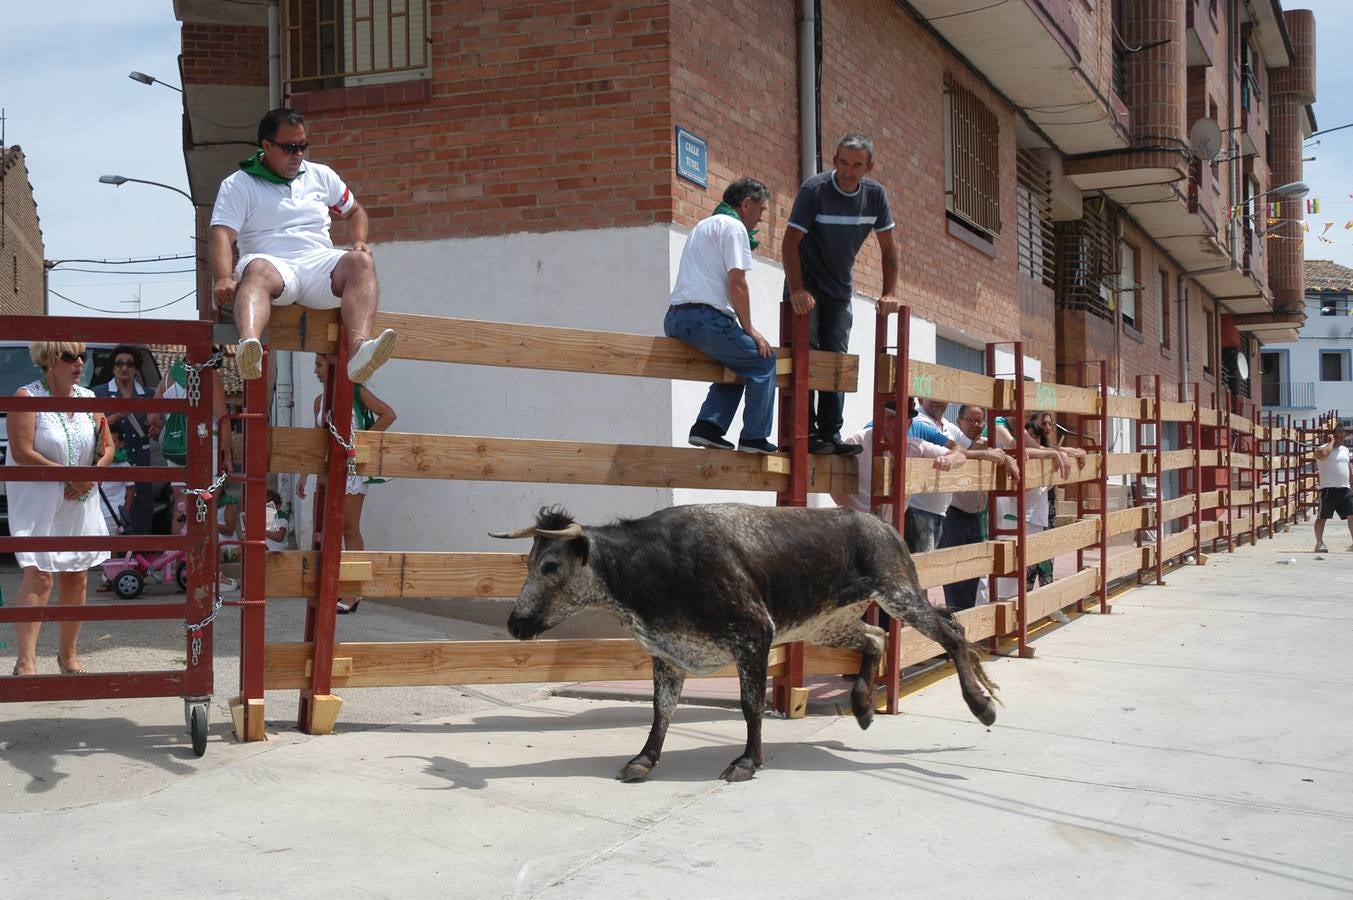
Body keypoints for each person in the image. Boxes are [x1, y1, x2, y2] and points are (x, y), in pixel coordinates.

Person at [209, 108, 396, 384]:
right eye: (289, 148)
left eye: (303, 146)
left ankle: (360, 351)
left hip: (316, 264)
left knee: (361, 262)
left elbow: (355, 211)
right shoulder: (239, 184)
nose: (298, 154)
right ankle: (250, 346)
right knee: (257, 269)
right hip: (271, 265)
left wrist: (358, 241)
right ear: (267, 146)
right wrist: (224, 277)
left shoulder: (321, 175)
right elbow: (222, 233)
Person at [783, 133, 898, 457]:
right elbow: (789, 242)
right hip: (806, 285)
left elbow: (889, 250)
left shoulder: (875, 196)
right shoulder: (814, 190)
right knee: (809, 353)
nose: (848, 171)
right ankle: (806, 434)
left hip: (840, 288)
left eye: (856, 165)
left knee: (838, 359)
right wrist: (796, 289)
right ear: (834, 161)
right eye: (843, 163)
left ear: (869, 167)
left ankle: (830, 433)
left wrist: (889, 293)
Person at [4, 342, 114, 676]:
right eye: (69, 357)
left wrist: (91, 476)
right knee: (40, 576)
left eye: (82, 356)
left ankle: (69, 656)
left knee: (77, 576)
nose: (79, 362)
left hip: (80, 499)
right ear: (49, 360)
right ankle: (26, 661)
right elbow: (22, 452)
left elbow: (107, 445)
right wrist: (70, 476)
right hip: (40, 499)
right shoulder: (27, 398)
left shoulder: (89, 400)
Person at [664, 177, 778, 454]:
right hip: (706, 319)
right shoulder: (734, 227)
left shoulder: (704, 225)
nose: (761, 219)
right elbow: (737, 283)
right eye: (761, 210)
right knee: (763, 362)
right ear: (746, 204)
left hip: (677, 318)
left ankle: (708, 427)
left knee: (739, 362)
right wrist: (750, 328)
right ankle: (753, 437)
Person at [297, 353, 397, 613]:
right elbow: (316, 440)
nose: (315, 371)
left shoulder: (356, 392)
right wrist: (305, 473)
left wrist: (360, 442)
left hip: (352, 471)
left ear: (332, 365)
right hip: (325, 472)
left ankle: (353, 591)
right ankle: (327, 586)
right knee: (324, 528)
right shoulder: (319, 401)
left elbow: (388, 414)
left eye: (319, 365)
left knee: (349, 528)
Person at [942, 404, 1021, 612]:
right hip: (953, 516)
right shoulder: (955, 443)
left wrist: (1009, 458)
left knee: (973, 576)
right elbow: (968, 453)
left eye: (979, 421)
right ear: (959, 422)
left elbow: (1005, 451)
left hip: (976, 518)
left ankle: (966, 624)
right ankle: (956, 625)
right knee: (955, 576)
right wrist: (995, 455)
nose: (975, 425)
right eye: (970, 420)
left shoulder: (987, 445)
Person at [95, 345, 156, 537]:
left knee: (141, 503)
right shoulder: (100, 393)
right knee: (110, 506)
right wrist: (117, 415)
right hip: (112, 460)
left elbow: (156, 425)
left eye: (129, 364)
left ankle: (137, 556)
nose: (124, 368)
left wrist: (155, 427)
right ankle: (111, 555)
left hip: (140, 458)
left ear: (137, 368)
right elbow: (94, 426)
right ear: (112, 367)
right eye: (119, 364)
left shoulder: (148, 394)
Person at [1313, 421, 1353, 553]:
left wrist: (1351, 481)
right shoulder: (1322, 449)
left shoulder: (1346, 450)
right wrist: (1331, 442)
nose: (1340, 440)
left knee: (1352, 515)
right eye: (1338, 437)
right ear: (1332, 436)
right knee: (1322, 517)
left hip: (1345, 489)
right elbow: (1323, 456)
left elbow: (1347, 466)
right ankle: (1319, 543)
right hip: (1328, 489)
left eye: (1342, 438)